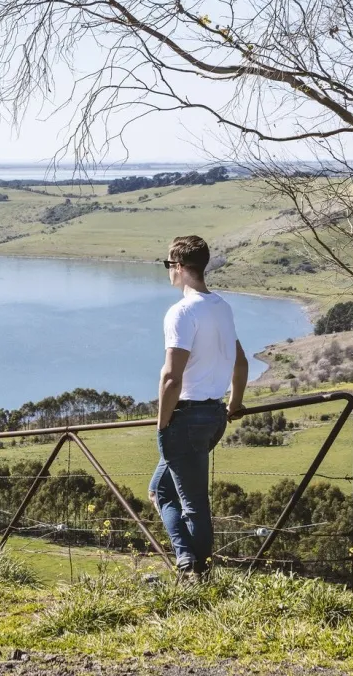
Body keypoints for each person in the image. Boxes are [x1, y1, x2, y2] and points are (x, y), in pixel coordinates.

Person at [150, 235, 247, 576]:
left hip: (185, 418)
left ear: (178, 267)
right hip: (215, 415)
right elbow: (241, 362)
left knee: (193, 505)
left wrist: (162, 424)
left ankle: (196, 572)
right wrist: (234, 404)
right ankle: (189, 563)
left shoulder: (181, 312)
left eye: (168, 266)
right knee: (160, 491)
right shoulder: (222, 306)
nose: (168, 273)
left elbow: (171, 378)